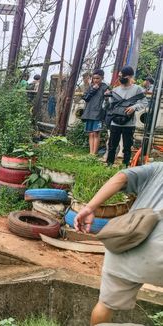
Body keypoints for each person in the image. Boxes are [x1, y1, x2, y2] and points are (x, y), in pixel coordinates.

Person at [74, 162, 163, 325]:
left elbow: (121, 177)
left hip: (128, 243)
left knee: (105, 305)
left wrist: (90, 208)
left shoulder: (158, 168)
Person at [105, 66, 148, 167]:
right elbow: (107, 107)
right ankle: (109, 164)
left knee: (127, 146)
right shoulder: (115, 90)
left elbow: (144, 102)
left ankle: (125, 165)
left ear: (129, 76)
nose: (120, 78)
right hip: (115, 122)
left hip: (129, 123)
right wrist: (106, 99)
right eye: (119, 76)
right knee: (112, 145)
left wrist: (134, 107)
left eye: (122, 76)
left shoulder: (137, 89)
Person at [81, 69, 109, 155]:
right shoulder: (91, 86)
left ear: (102, 78)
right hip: (89, 112)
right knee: (90, 133)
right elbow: (85, 98)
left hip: (98, 113)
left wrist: (107, 95)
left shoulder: (105, 87)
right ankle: (91, 153)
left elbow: (107, 101)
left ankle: (94, 153)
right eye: (94, 78)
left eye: (98, 78)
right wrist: (93, 89)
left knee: (96, 133)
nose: (95, 80)